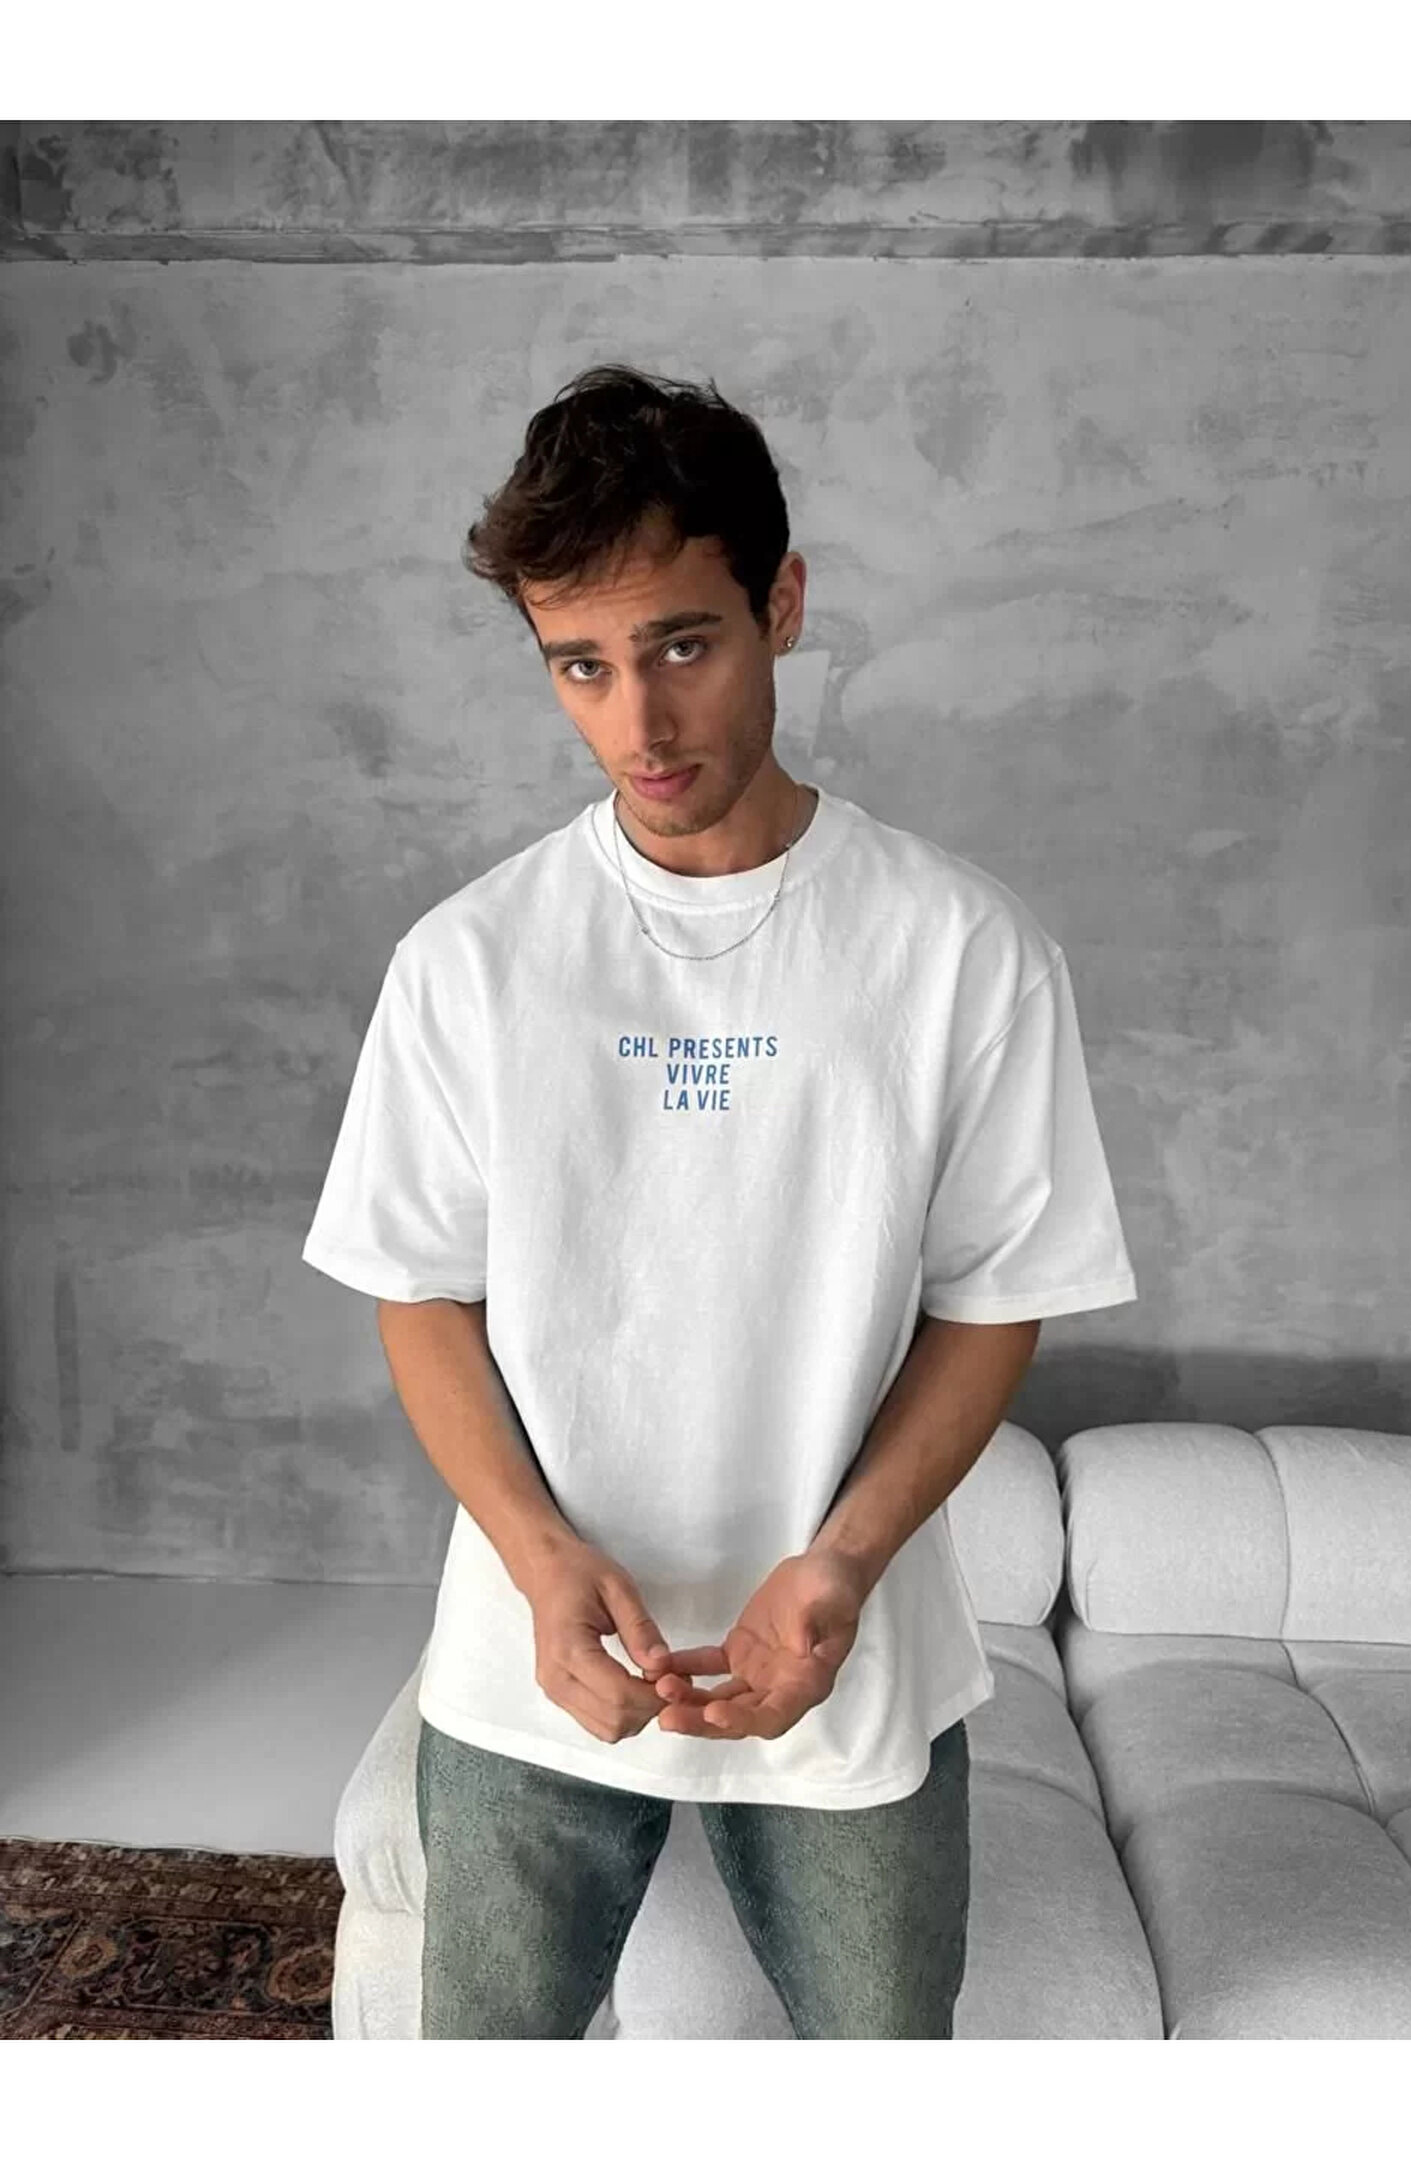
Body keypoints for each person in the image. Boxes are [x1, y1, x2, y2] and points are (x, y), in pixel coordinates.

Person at [301, 361, 1139, 2039]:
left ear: (783, 606)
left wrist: (845, 1561)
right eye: (582, 666)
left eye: (683, 646)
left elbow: (992, 1301)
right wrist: (538, 1558)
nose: (639, 724)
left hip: (848, 1645)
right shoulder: (469, 960)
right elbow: (421, 1289)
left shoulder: (961, 950)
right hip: (532, 1655)